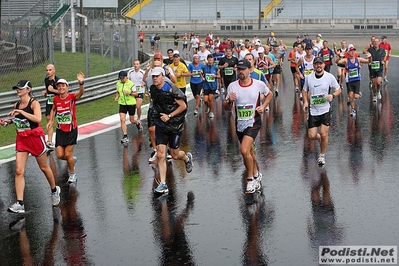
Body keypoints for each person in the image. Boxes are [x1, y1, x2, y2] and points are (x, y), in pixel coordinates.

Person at [1, 80, 60, 213]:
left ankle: (54, 190)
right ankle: (20, 203)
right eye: (17, 88)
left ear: (28, 90)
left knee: (44, 167)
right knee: (18, 171)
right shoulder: (17, 104)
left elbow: (37, 119)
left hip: (34, 138)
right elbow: (18, 120)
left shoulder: (34, 103)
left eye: (21, 88)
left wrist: (20, 112)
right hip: (22, 139)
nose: (18, 90)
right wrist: (8, 122)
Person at [223, 59, 273, 194]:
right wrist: (229, 100)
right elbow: (226, 107)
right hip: (240, 123)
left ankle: (250, 180)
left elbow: (270, 94)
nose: (240, 71)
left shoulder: (258, 84)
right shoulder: (232, 86)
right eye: (238, 69)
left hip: (254, 122)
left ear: (249, 70)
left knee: (244, 150)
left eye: (242, 69)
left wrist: (263, 106)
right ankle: (256, 174)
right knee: (249, 153)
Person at [149, 67, 193, 194]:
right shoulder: (152, 89)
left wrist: (169, 116)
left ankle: (186, 158)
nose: (155, 78)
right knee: (161, 154)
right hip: (161, 125)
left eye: (157, 76)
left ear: (163, 76)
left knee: (174, 155)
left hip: (174, 125)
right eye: (153, 76)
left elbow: (183, 106)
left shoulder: (171, 89)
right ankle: (163, 184)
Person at [302, 57, 341, 166]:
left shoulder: (329, 77)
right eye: (316, 64)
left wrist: (332, 95)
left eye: (320, 64)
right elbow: (304, 90)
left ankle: (322, 156)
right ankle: (320, 138)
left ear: (324, 65)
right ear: (314, 66)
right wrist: (305, 101)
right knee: (311, 136)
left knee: (324, 133)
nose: (319, 66)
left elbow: (338, 89)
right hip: (313, 111)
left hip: (325, 109)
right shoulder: (309, 78)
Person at [47, 74, 85, 183]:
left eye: (63, 86)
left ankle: (72, 175)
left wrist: (81, 83)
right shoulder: (56, 99)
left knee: (68, 154)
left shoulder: (72, 97)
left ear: (67, 87)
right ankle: (72, 160)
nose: (61, 88)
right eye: (59, 86)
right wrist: (51, 121)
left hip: (71, 130)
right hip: (60, 131)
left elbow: (81, 93)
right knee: (59, 155)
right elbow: (53, 110)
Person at [335, 45, 371, 117]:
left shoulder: (358, 59)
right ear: (348, 52)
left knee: (356, 96)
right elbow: (337, 62)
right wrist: (339, 56)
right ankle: (353, 109)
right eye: (351, 51)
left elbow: (368, 61)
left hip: (357, 80)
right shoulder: (346, 60)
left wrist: (370, 57)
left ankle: (357, 94)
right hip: (349, 80)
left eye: (353, 51)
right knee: (350, 95)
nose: (352, 52)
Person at [115, 70, 143, 145]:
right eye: (120, 78)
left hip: (131, 104)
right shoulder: (118, 83)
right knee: (122, 119)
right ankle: (125, 136)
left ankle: (138, 123)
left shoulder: (131, 84)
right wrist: (117, 97)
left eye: (123, 78)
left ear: (126, 77)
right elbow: (117, 91)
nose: (121, 80)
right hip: (122, 103)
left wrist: (129, 93)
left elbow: (136, 94)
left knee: (132, 120)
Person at [41, 64, 60, 150]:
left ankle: (61, 140)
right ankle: (49, 141)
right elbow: (47, 89)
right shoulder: (46, 80)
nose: (48, 72)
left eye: (50, 70)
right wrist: (45, 91)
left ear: (54, 70)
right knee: (49, 119)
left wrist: (53, 90)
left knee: (57, 121)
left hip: (58, 103)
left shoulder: (59, 81)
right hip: (49, 102)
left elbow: (63, 92)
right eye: (47, 70)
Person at [202, 54, 220, 118]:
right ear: (207, 60)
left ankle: (211, 112)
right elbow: (201, 74)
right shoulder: (204, 67)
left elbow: (219, 76)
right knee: (205, 100)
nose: (210, 60)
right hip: (206, 85)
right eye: (209, 59)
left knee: (210, 98)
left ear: (213, 60)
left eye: (211, 59)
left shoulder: (215, 67)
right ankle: (208, 106)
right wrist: (202, 77)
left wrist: (215, 76)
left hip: (213, 85)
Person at [367, 37, 386, 102]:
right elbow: (367, 57)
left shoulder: (382, 50)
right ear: (373, 42)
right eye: (375, 41)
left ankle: (378, 92)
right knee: (374, 83)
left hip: (379, 68)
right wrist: (369, 61)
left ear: (379, 42)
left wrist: (383, 61)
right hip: (372, 69)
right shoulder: (370, 50)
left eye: (377, 41)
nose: (376, 43)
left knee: (378, 82)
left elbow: (384, 56)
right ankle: (374, 95)